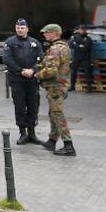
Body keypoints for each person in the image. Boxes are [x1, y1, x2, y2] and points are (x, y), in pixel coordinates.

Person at [36, 24, 75, 156]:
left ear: (54, 33)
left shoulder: (55, 49)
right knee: (53, 113)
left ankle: (68, 145)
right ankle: (52, 140)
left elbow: (51, 71)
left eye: (46, 33)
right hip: (60, 85)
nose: (44, 35)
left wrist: (36, 74)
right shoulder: (64, 46)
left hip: (55, 86)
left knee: (57, 114)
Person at [3, 18, 43, 145]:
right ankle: (23, 133)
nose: (20, 30)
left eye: (22, 28)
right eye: (18, 28)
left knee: (33, 105)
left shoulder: (34, 43)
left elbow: (41, 58)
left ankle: (32, 133)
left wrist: (33, 70)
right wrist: (20, 71)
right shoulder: (10, 42)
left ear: (27, 29)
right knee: (20, 106)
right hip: (17, 79)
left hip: (32, 79)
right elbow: (7, 59)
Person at [68, 25, 93, 92]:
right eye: (81, 29)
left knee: (87, 72)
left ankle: (89, 87)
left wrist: (76, 45)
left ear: (85, 30)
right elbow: (70, 44)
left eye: (83, 29)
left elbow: (86, 48)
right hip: (76, 57)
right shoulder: (75, 37)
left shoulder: (88, 39)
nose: (82, 31)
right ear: (79, 30)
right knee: (73, 72)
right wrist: (79, 46)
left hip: (85, 57)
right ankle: (72, 86)